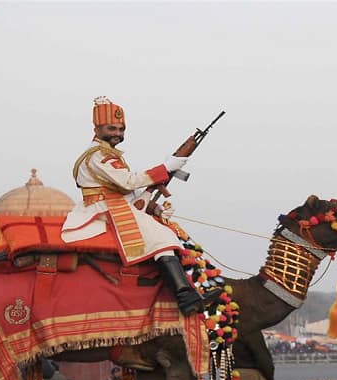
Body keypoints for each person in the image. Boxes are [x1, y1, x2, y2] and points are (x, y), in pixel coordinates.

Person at [61, 96, 221, 316]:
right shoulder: (98, 156)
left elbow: (128, 191)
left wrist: (154, 208)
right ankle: (185, 298)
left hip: (115, 204)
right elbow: (128, 182)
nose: (118, 133)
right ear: (96, 128)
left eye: (121, 129)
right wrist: (166, 167)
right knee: (162, 237)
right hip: (103, 210)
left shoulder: (108, 154)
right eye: (112, 128)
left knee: (163, 228)